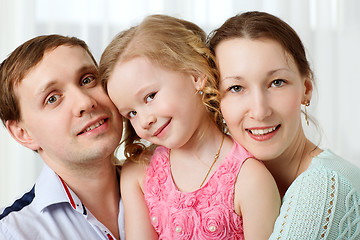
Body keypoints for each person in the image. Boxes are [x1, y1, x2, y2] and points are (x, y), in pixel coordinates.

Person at [100, 14, 280, 239]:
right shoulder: (139, 174)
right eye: (132, 113)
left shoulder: (250, 179)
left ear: (196, 75)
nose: (144, 120)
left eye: (150, 96)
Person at [208, 11, 360, 239]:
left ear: (306, 89)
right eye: (236, 88)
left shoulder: (324, 185)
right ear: (215, 101)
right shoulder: (229, 188)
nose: (260, 111)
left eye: (277, 83)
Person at [0, 34, 125, 240]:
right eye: (53, 98)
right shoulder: (12, 233)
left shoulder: (167, 185)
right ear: (23, 134)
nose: (85, 102)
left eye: (87, 80)